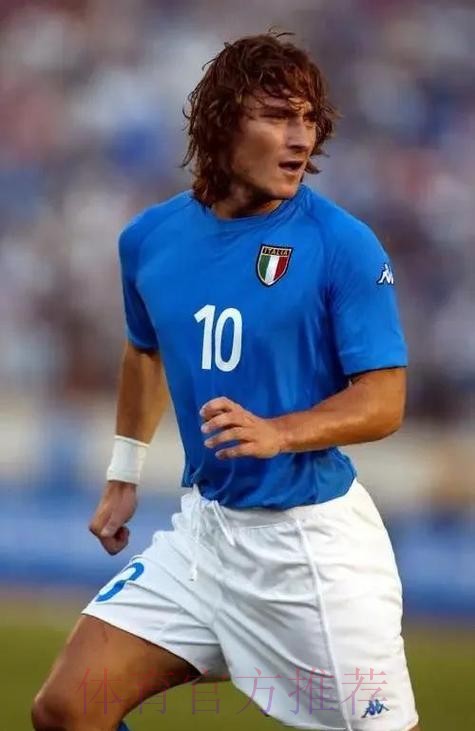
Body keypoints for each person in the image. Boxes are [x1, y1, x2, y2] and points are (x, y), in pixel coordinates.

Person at [32, 31, 420, 731]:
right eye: (276, 116)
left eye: (308, 119)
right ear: (221, 122)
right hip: (206, 539)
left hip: (309, 551)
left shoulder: (341, 244)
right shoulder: (149, 239)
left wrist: (280, 432)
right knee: (67, 709)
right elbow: (145, 350)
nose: (299, 138)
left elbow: (384, 399)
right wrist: (124, 472)